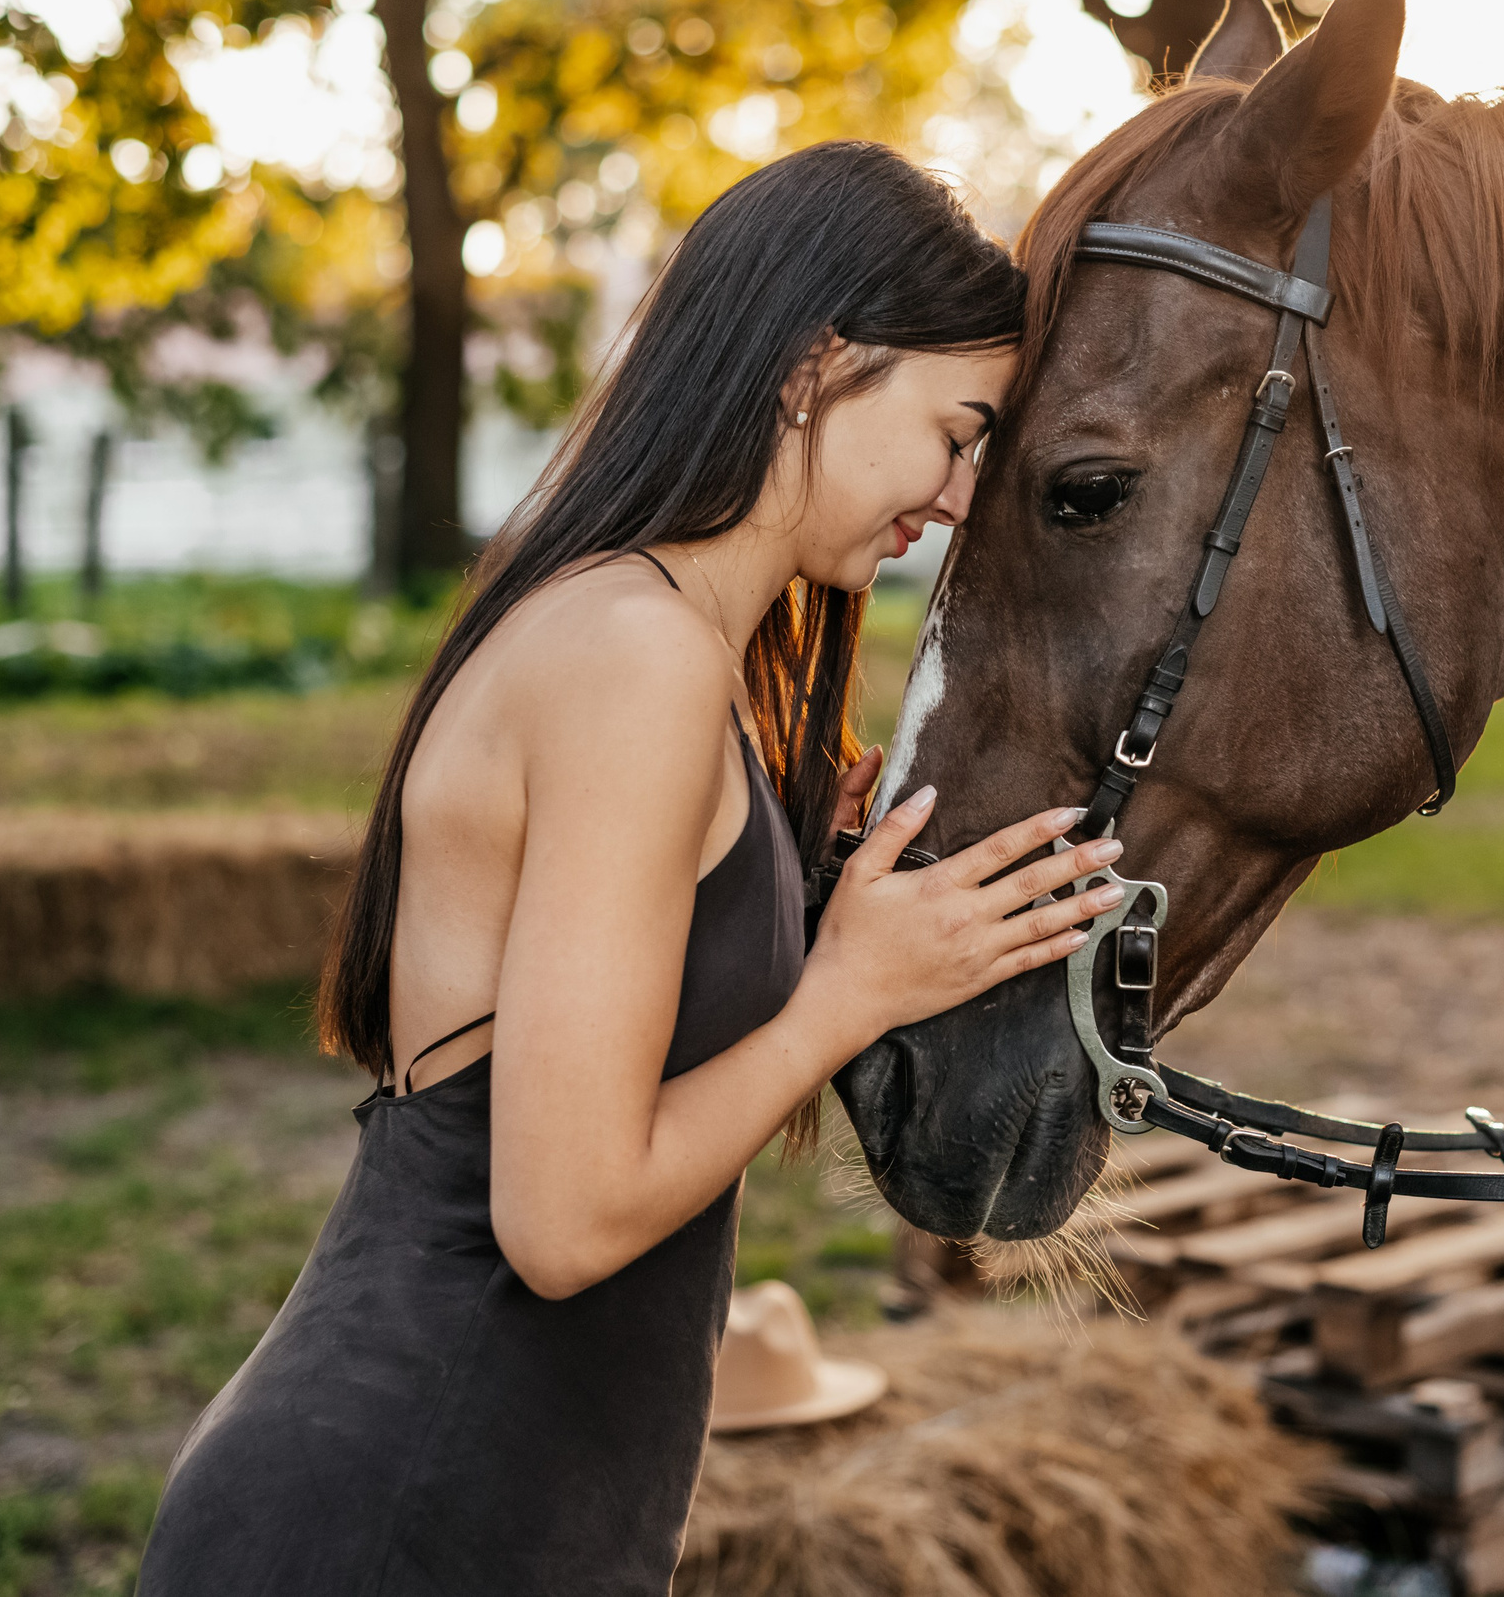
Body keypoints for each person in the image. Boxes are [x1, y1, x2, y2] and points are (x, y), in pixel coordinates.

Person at [134, 140, 1126, 1595]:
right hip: (402, 1512)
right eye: (955, 433)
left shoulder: (648, 638)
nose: (963, 497)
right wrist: (846, 995)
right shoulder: (637, 657)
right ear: (817, 366)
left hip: (476, 1498)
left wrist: (798, 889)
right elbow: (564, 1220)